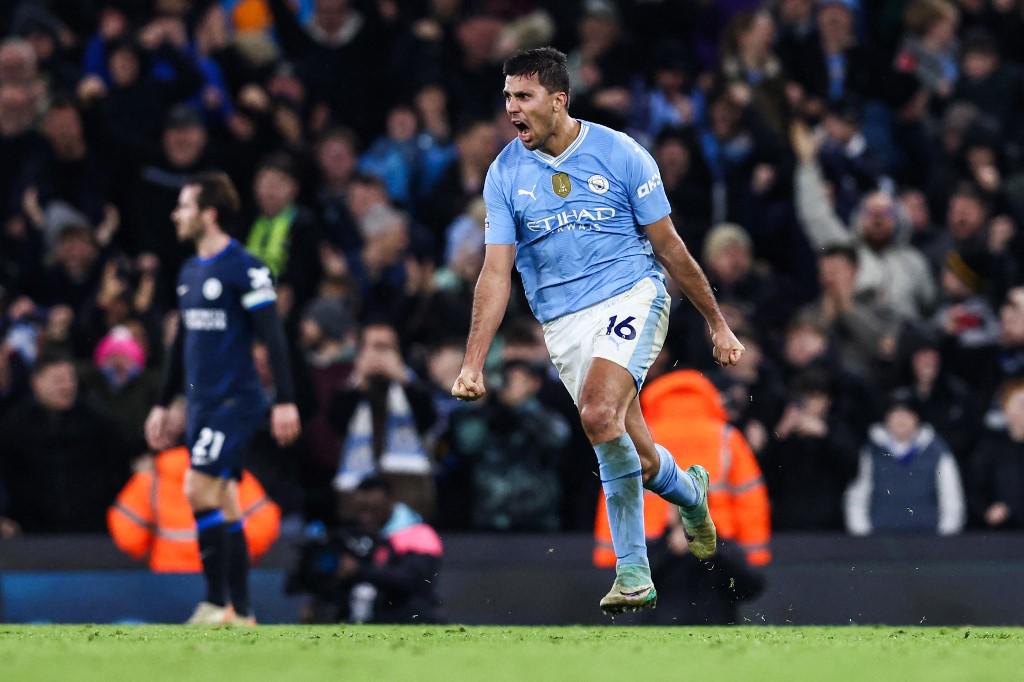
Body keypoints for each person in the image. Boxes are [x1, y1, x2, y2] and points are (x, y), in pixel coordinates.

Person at [450, 47, 744, 614]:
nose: (511, 108)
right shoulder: (505, 175)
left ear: (559, 100)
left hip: (632, 293)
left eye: (523, 97)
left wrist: (717, 323)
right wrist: (472, 363)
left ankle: (633, 570)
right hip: (562, 322)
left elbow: (669, 246)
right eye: (507, 96)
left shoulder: (620, 154)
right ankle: (690, 492)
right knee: (638, 450)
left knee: (596, 414)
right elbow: (495, 272)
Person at [143, 171, 301, 625]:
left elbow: (273, 336)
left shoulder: (245, 267)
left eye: (185, 206)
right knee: (226, 498)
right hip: (202, 404)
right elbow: (179, 344)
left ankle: (214, 602)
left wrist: (285, 399)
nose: (177, 215)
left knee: (196, 487)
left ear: (208, 214)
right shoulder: (190, 270)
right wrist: (162, 401)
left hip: (236, 401)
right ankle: (244, 612)